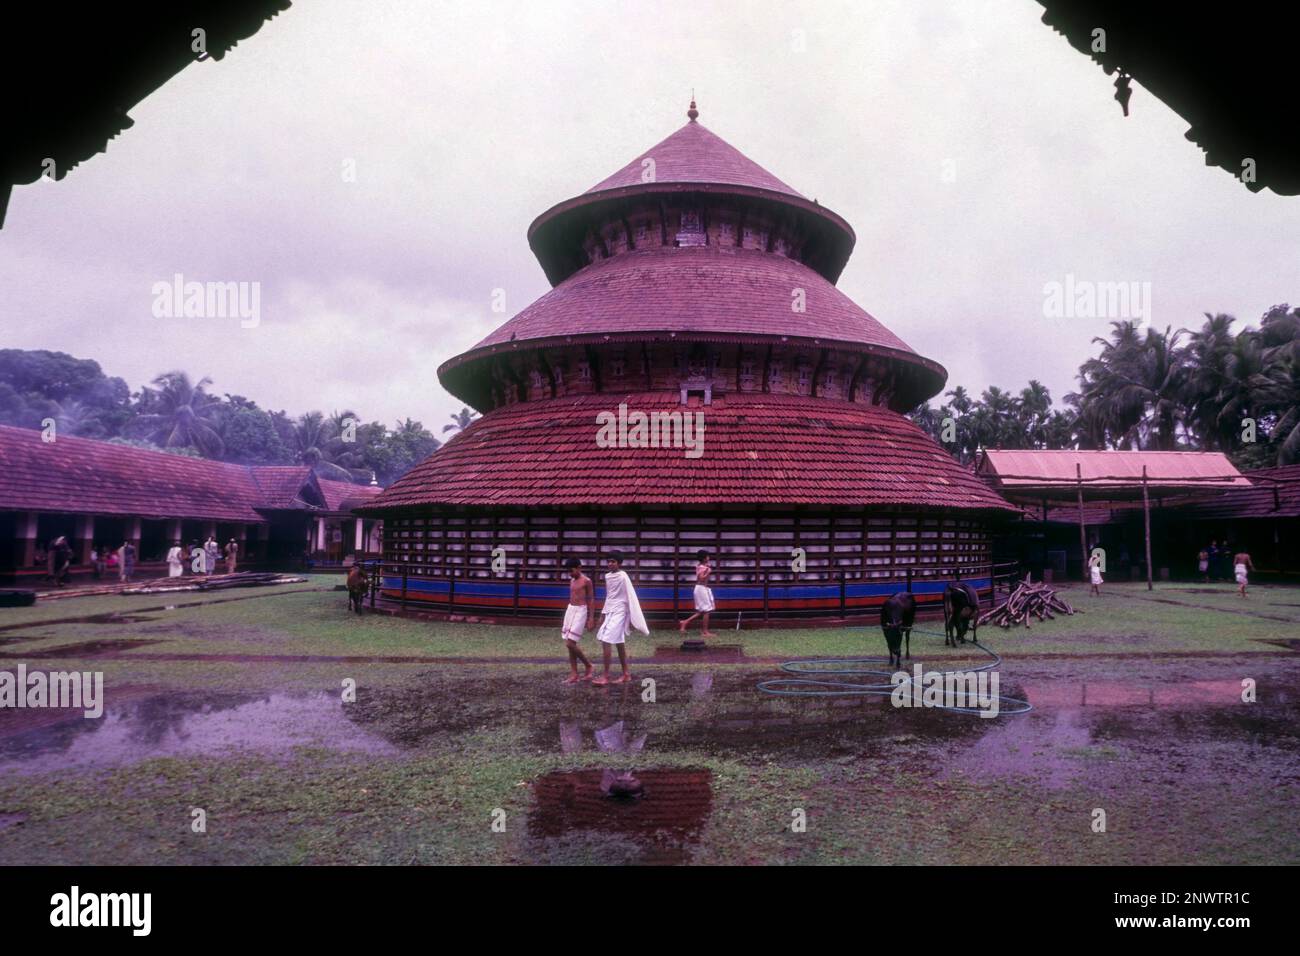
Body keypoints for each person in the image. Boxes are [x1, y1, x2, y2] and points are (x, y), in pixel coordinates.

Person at [592, 550, 647, 686]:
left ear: (619, 563)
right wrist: (602, 615)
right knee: (619, 642)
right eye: (608, 561)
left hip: (621, 611)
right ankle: (626, 674)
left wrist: (632, 618)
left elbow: (630, 596)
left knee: (606, 640)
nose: (610, 564)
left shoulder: (623, 576)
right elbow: (609, 596)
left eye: (613, 561)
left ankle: (606, 676)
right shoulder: (607, 576)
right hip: (610, 611)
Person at [560, 557, 596, 684]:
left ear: (579, 568)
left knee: (570, 643)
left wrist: (591, 618)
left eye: (572, 570)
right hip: (571, 610)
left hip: (581, 611)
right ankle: (574, 674)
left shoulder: (587, 581)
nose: (570, 573)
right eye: (568, 571)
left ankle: (589, 665)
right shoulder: (572, 580)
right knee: (570, 643)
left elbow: (591, 599)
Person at [678, 549, 717, 637]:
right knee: (707, 610)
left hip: (701, 588)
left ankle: (685, 622)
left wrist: (707, 569)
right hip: (701, 589)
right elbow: (701, 578)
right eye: (707, 556)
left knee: (701, 611)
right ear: (704, 558)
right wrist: (708, 572)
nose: (709, 557)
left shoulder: (701, 566)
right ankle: (705, 632)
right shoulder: (703, 568)